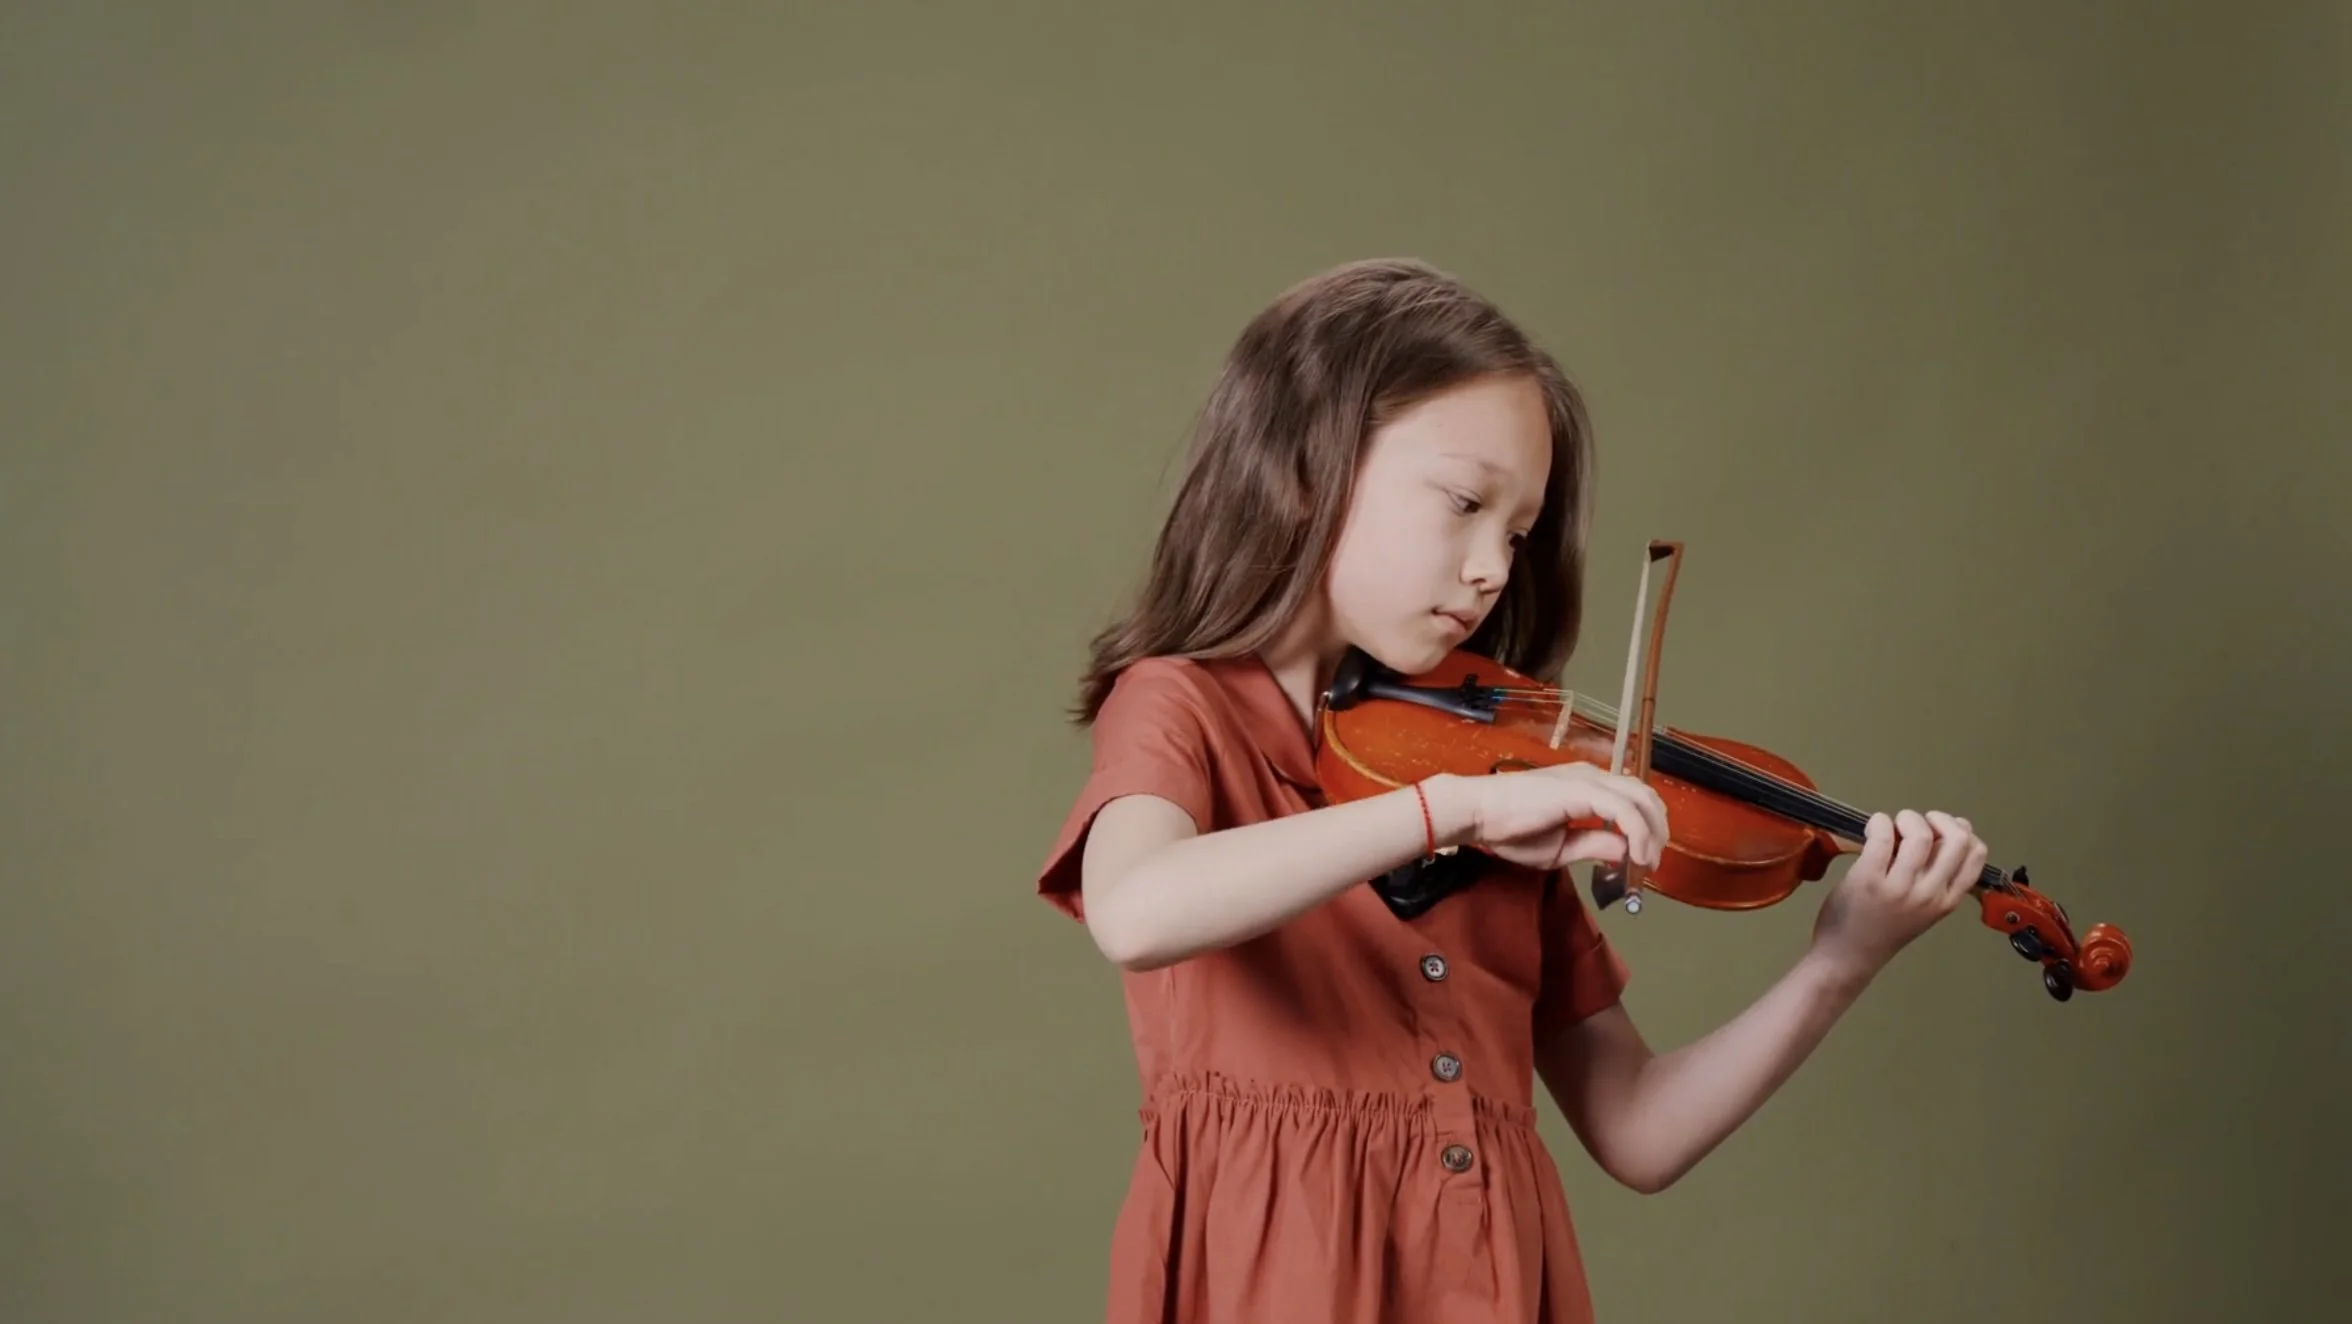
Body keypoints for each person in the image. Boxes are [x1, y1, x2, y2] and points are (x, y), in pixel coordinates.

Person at [1033, 257, 1988, 1324]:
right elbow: (1137, 908)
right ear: (1304, 466)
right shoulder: (1183, 708)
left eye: (1518, 530)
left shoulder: (1503, 773)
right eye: (1463, 502)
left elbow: (1639, 1130)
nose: (1494, 566)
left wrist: (1841, 960)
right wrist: (1455, 809)